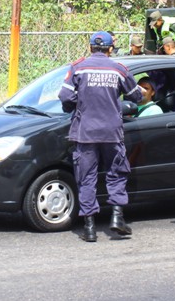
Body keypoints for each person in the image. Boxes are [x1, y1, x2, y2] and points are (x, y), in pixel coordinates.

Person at [58, 31, 143, 242]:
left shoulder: (78, 67)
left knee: (87, 177)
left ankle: (89, 228)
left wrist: (75, 106)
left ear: (90, 48)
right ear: (110, 49)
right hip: (112, 133)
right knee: (116, 174)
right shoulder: (119, 69)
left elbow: (65, 96)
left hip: (85, 133)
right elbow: (136, 96)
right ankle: (116, 218)